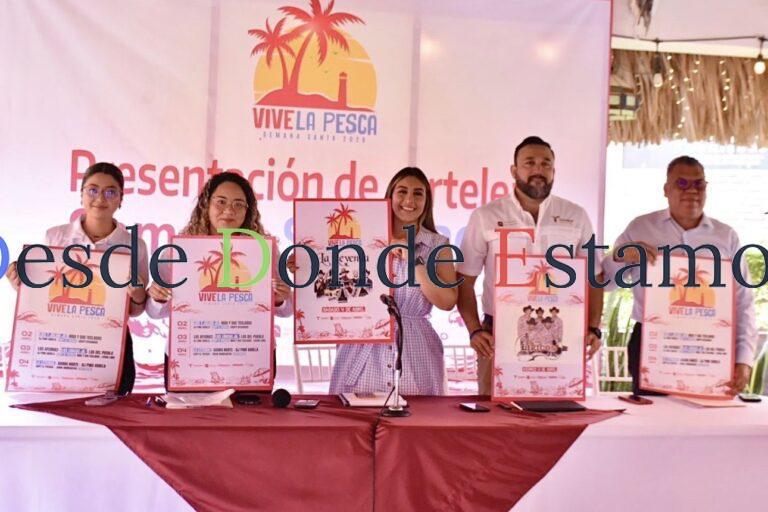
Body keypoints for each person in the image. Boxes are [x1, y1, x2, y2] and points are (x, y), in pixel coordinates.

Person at [457, 136, 604, 395]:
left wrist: (593, 327)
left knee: (555, 411)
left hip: (560, 331)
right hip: (498, 334)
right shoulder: (486, 216)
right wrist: (474, 331)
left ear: (554, 171)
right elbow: (464, 279)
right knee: (495, 414)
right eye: (529, 163)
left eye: (546, 164)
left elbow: (594, 277)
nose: (539, 170)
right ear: (514, 170)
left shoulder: (576, 215)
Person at [602, 156, 756, 395]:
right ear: (666, 189)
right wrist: (621, 256)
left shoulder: (726, 237)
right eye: (682, 183)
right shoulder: (640, 227)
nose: (691, 191)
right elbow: (605, 282)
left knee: (704, 414)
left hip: (709, 343)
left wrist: (744, 358)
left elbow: (743, 300)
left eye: (699, 184)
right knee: (652, 413)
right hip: (652, 341)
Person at [5, 162, 148, 394]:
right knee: (60, 409)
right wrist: (20, 284)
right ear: (81, 195)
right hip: (61, 341)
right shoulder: (56, 236)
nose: (100, 198)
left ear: (121, 199)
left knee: (113, 409)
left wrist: (139, 296)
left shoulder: (135, 245)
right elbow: (44, 292)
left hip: (111, 344)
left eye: (110, 192)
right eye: (92, 190)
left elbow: (135, 310)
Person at [144, 172, 292, 384]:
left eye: (238, 204)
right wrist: (157, 298)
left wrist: (279, 299)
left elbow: (286, 310)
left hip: (250, 357)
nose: (229, 210)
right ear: (206, 204)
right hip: (190, 358)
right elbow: (153, 312)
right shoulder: (177, 251)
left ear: (248, 210)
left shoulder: (265, 251)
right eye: (221, 202)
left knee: (252, 407)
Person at [329, 167, 458, 395]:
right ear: (390, 196)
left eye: (418, 193)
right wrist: (304, 267)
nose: (409, 200)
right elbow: (336, 288)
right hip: (362, 348)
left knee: (417, 415)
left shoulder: (438, 245)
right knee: (355, 414)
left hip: (415, 351)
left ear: (427, 201)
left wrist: (413, 260)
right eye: (402, 192)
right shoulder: (363, 238)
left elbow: (447, 301)